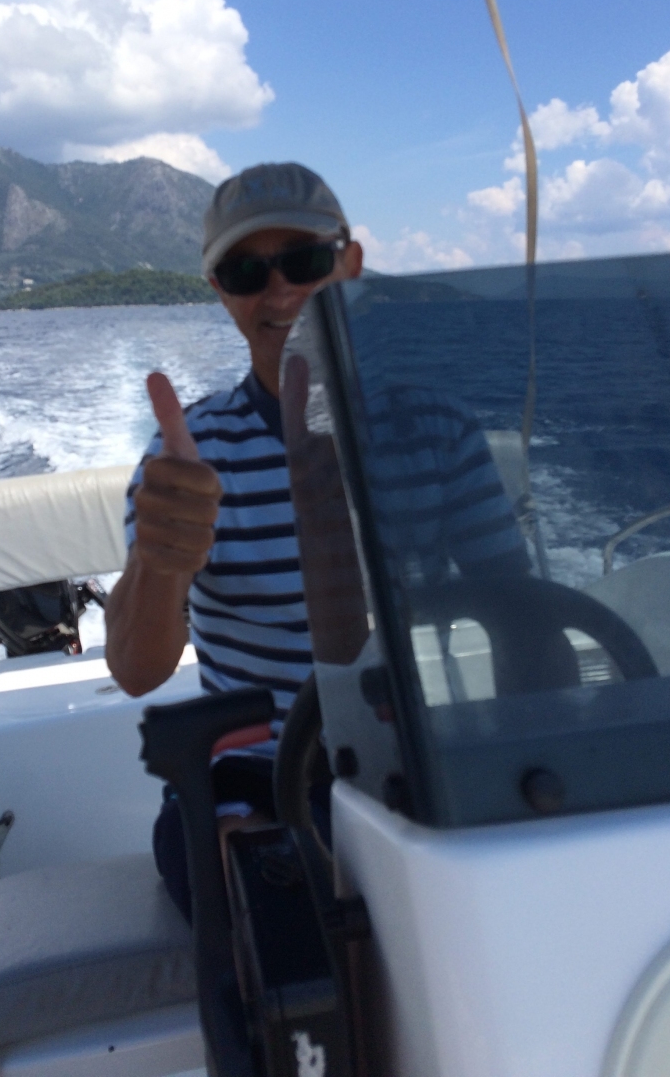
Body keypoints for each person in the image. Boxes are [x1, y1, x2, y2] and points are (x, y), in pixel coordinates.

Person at [105, 162, 528, 919]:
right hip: (254, 777)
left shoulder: (437, 431)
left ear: (350, 263)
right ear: (219, 290)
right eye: (245, 271)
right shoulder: (186, 462)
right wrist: (161, 564)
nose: (278, 292)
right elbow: (137, 673)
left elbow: (520, 617)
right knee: (283, 923)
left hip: (417, 759)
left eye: (303, 261)